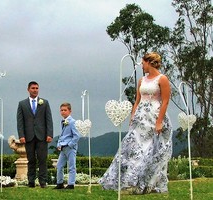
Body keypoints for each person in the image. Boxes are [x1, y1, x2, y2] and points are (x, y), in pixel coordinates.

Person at [99, 52, 173, 194]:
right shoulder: (141, 80)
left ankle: (148, 182)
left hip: (154, 114)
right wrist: (133, 116)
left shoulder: (162, 79)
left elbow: (165, 101)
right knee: (135, 148)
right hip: (141, 117)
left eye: (143, 63)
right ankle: (129, 180)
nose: (141, 65)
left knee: (151, 149)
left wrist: (159, 122)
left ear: (149, 62)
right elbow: (137, 100)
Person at [17, 81, 53, 188]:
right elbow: (20, 121)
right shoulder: (22, 104)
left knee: (42, 159)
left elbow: (49, 119)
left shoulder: (44, 103)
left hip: (42, 136)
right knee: (31, 160)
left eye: (37, 88)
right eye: (33, 88)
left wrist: (49, 134)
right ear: (28, 89)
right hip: (28, 136)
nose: (35, 90)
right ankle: (31, 181)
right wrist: (21, 135)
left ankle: (43, 182)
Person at [54, 102, 81, 190]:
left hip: (70, 147)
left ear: (70, 111)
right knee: (59, 165)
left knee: (71, 166)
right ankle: (60, 183)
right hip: (62, 147)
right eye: (61, 110)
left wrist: (70, 144)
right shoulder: (63, 122)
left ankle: (71, 184)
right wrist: (59, 144)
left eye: (65, 110)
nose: (63, 112)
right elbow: (62, 135)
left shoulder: (73, 122)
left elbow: (76, 135)